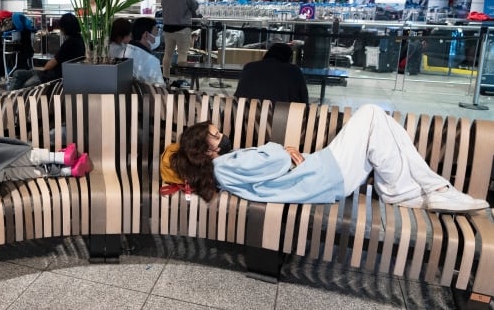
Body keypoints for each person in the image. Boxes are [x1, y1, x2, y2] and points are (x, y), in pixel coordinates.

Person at [163, 104, 489, 213]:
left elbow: (268, 164)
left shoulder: (223, 170)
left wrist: (282, 152)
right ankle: (419, 191)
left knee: (374, 121)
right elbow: (274, 161)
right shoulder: (226, 165)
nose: (224, 137)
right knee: (371, 113)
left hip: (323, 171)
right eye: (217, 136)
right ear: (207, 151)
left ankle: (420, 188)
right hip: (324, 173)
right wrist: (283, 149)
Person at [10, 13, 85, 90]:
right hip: (55, 74)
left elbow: (52, 63)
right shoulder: (80, 40)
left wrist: (43, 69)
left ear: (65, 27)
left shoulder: (69, 43)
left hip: (52, 76)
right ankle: (11, 98)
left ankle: (12, 99)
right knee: (18, 74)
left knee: (26, 84)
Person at [234, 43, 308, 104]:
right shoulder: (294, 70)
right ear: (288, 57)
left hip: (246, 116)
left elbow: (238, 94)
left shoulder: (249, 67)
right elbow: (303, 99)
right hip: (280, 118)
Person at [160, 0, 198, 79]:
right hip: (182, 28)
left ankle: (165, 76)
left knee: (168, 54)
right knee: (182, 54)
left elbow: (163, 5)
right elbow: (194, 6)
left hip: (168, 28)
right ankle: (180, 79)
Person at [124, 17, 165, 86]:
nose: (157, 36)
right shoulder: (152, 61)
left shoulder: (127, 50)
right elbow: (160, 89)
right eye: (156, 32)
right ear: (146, 35)